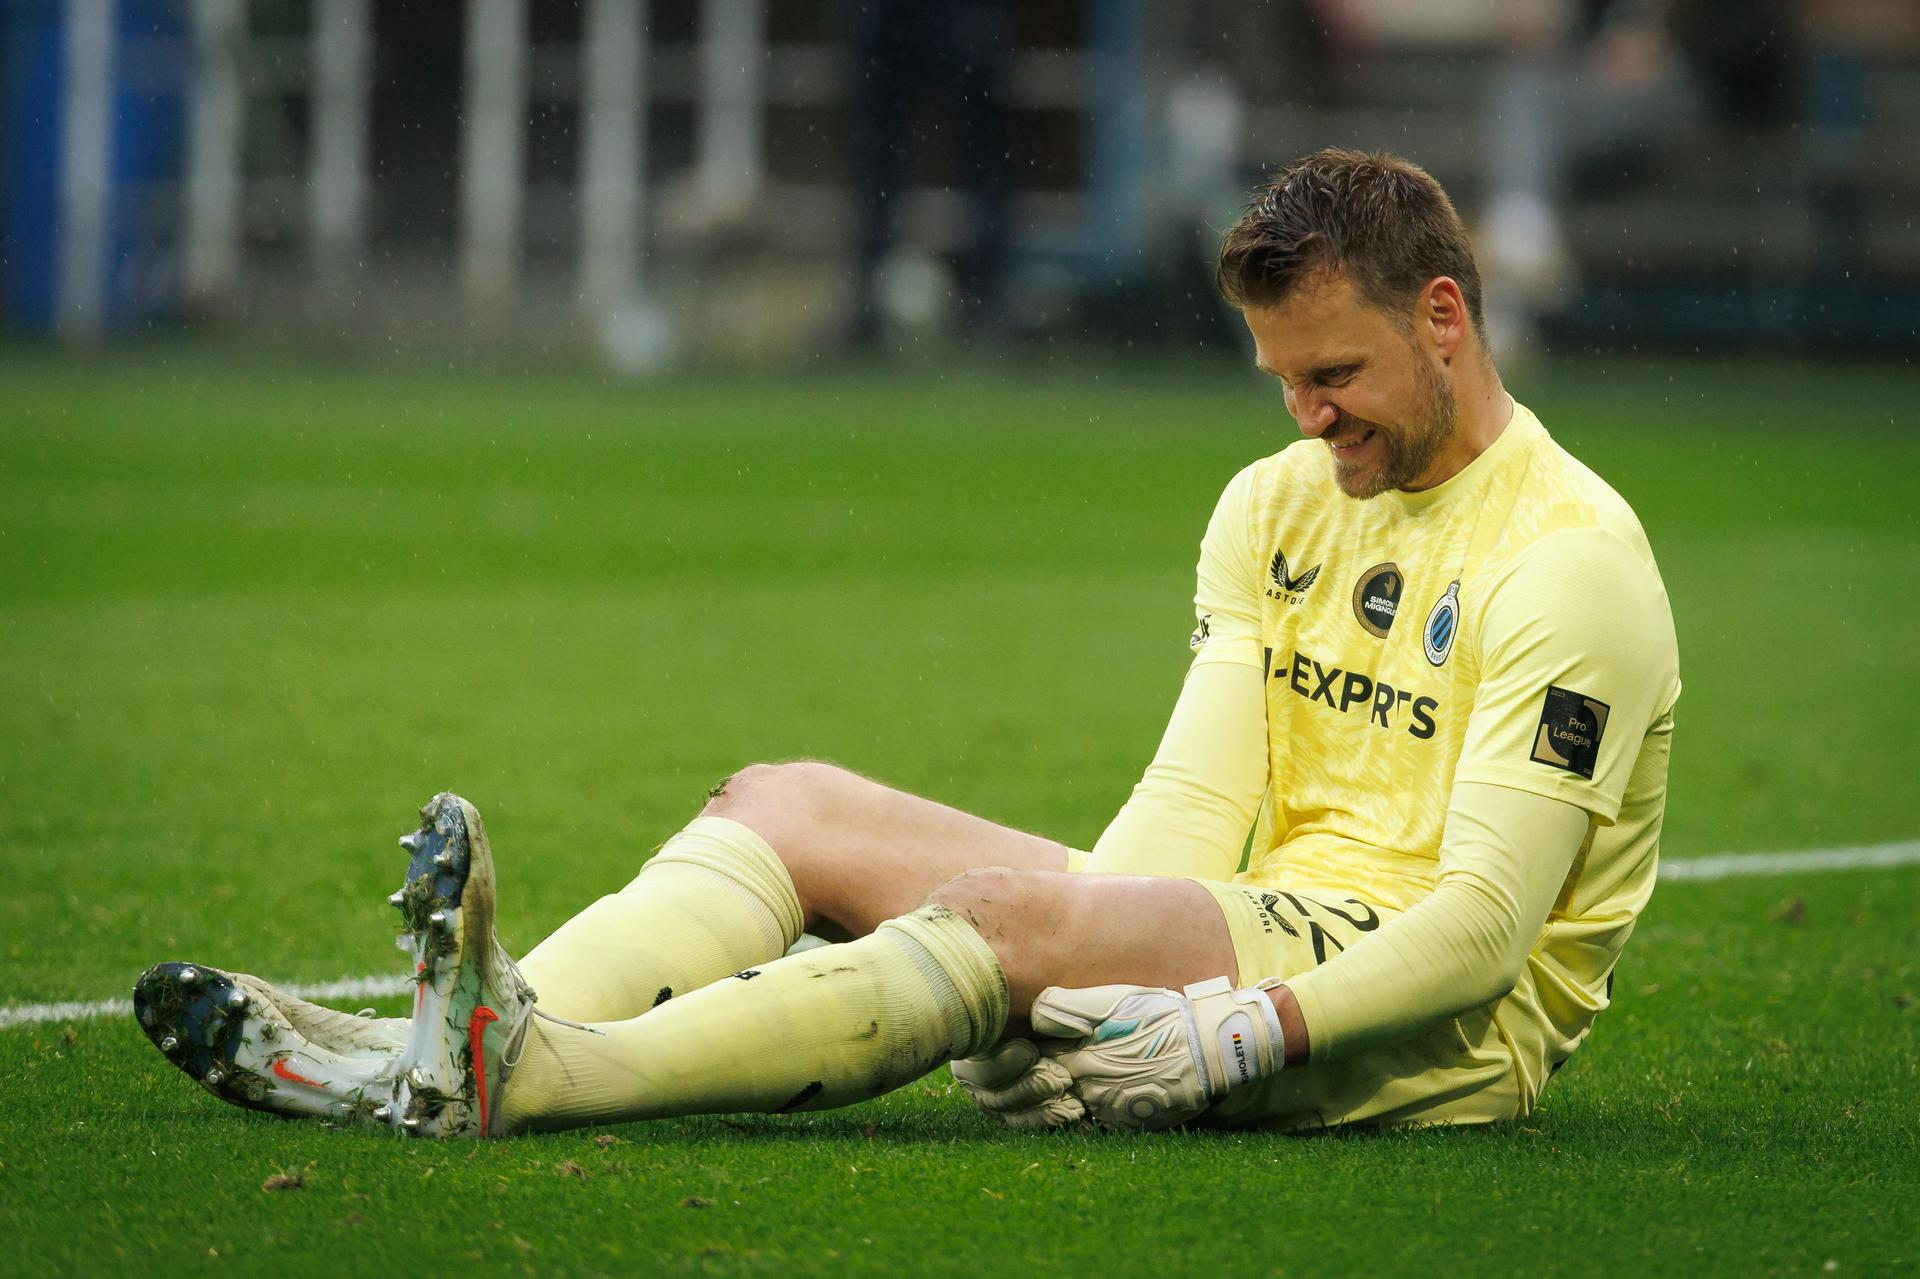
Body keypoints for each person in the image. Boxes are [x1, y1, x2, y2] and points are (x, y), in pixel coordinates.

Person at [134, 149, 1680, 1137]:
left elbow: (1485, 932)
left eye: (1332, 373)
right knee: (788, 803)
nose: (1306, 414)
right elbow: (1195, 803)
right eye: (1280, 377)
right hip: (1254, 927)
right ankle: (441, 1044)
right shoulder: (1273, 502)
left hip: (1425, 1027)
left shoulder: (1569, 564)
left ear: (1443, 318)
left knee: (1002, 922)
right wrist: (1078, 962)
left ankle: (537, 1076)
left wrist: (1235, 1028)